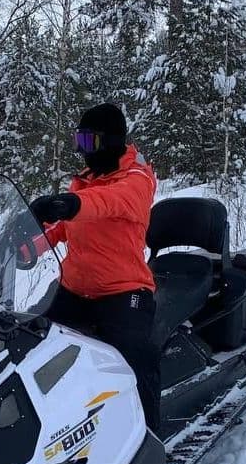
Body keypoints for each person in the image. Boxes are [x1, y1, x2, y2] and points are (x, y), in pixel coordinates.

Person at [30, 103, 161, 433]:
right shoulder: (86, 181)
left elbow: (108, 202)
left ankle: (149, 440)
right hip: (75, 290)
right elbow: (63, 228)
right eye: (79, 141)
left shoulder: (136, 179)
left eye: (89, 143)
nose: (82, 151)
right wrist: (24, 248)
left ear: (111, 141)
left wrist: (71, 202)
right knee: (31, 344)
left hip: (123, 291)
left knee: (135, 362)